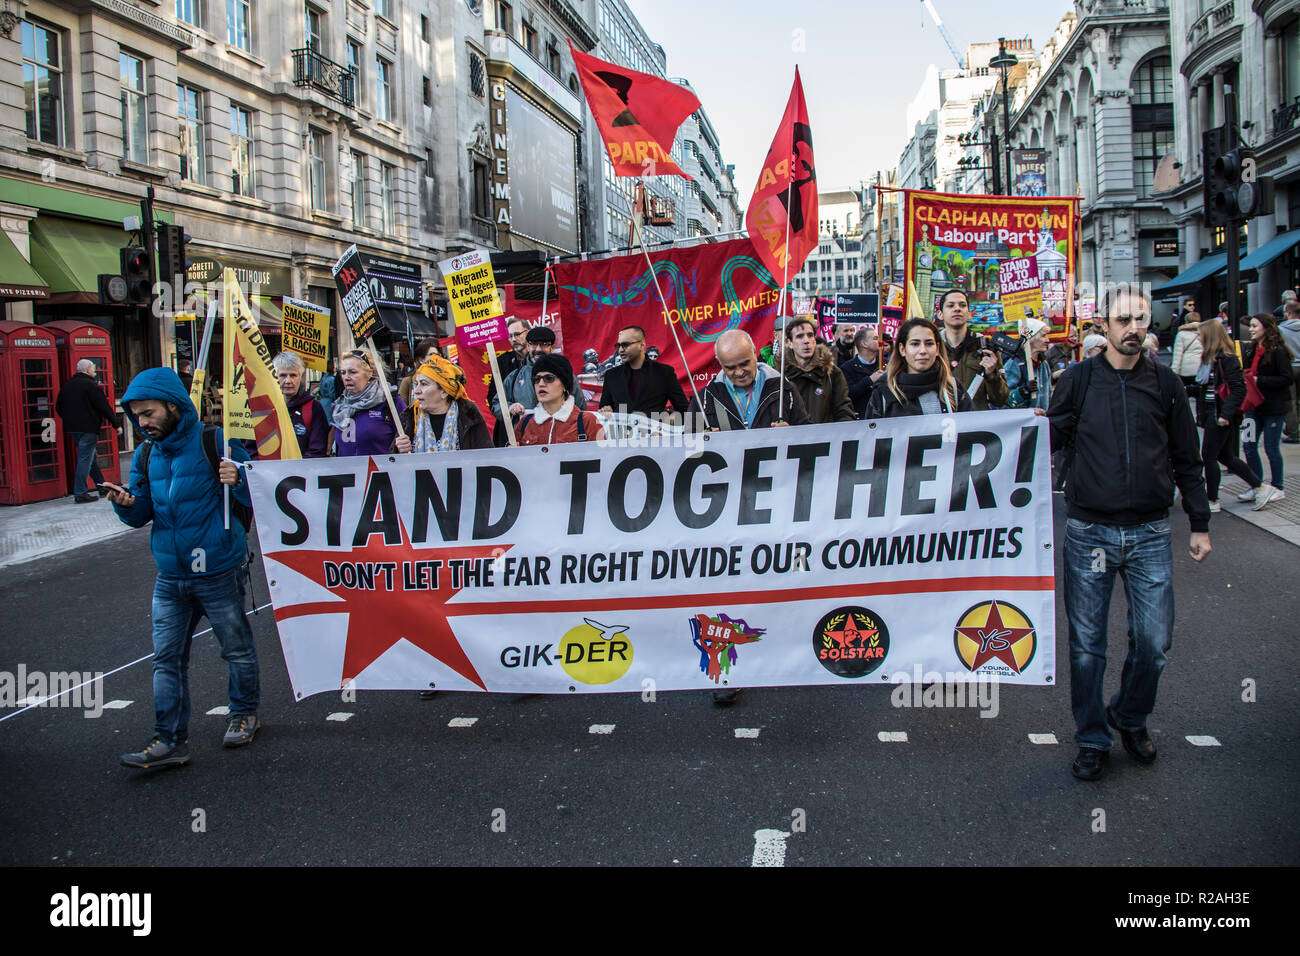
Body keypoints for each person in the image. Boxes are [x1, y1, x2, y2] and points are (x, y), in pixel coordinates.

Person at [1046, 287, 1211, 782]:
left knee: (1154, 641)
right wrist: (1033, 427)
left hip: (1150, 533)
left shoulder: (1165, 384)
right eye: (1124, 319)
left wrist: (1199, 522)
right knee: (1087, 645)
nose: (1134, 328)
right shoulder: (1077, 381)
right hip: (1089, 532)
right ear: (1105, 324)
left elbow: (1187, 455)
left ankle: (1130, 716)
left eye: (1141, 319)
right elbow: (1050, 441)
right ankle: (1093, 738)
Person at [105, 368, 259, 769]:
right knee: (166, 658)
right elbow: (141, 513)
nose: (142, 423)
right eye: (136, 416)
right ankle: (169, 740)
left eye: (149, 413)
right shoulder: (145, 454)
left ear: (173, 406)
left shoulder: (218, 441)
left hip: (218, 570)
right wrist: (125, 504)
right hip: (170, 577)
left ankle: (243, 713)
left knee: (236, 649)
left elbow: (259, 494)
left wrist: (239, 479)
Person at [1193, 320, 1265, 513]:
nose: (1198, 338)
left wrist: (1225, 415)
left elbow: (1238, 390)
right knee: (1225, 456)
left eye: (1200, 335)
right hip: (1215, 412)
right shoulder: (1212, 359)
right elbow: (1206, 388)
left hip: (1221, 414)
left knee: (1209, 456)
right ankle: (1260, 486)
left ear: (1209, 337)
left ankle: (1213, 500)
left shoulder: (1226, 359)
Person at [688, 329, 810, 431]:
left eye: (745, 364)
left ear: (754, 352)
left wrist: (793, 434)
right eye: (730, 368)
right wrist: (701, 440)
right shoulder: (703, 398)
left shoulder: (785, 388)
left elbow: (808, 433)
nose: (740, 372)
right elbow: (687, 446)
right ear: (720, 362)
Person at [864, 317, 972, 418]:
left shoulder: (951, 388)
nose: (923, 351)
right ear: (902, 349)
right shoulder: (884, 392)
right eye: (915, 344)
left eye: (929, 344)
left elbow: (970, 431)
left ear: (937, 348)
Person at [1238, 314, 1292, 507]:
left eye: (1254, 326)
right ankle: (1257, 485)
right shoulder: (1252, 349)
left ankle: (1278, 487)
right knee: (1249, 445)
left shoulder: (1278, 351)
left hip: (1274, 408)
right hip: (1253, 407)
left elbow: (1287, 378)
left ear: (1265, 328)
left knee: (1270, 447)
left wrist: (1261, 380)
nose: (1251, 329)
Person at [393, 353, 492, 453]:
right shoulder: (410, 417)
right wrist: (399, 450)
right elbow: (394, 463)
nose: (416, 391)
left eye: (423, 384)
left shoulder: (469, 416)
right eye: (416, 384)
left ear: (444, 391)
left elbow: (486, 459)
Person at [492, 326, 586, 430]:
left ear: (552, 347)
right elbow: (497, 404)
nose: (538, 349)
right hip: (526, 440)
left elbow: (580, 408)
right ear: (528, 346)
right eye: (534, 344)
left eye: (544, 344)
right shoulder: (514, 376)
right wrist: (509, 408)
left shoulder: (565, 374)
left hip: (560, 439)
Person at [55, 358, 117, 502]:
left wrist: (70, 420)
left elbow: (58, 407)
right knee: (85, 459)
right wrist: (115, 424)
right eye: (93, 369)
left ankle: (102, 486)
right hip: (89, 428)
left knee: (90, 457)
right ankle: (80, 493)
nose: (94, 371)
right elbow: (104, 406)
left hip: (73, 429)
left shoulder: (67, 386)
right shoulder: (91, 386)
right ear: (88, 369)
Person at [598, 325, 691, 419]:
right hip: (621, 432)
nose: (621, 350)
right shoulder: (611, 375)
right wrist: (606, 409)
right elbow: (604, 407)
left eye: (625, 345)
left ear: (641, 345)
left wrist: (699, 430)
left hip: (655, 432)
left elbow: (684, 408)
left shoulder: (664, 372)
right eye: (618, 346)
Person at [936, 290, 1008, 410]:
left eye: (962, 305)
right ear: (940, 314)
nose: (957, 309)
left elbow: (1001, 400)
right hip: (943, 423)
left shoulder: (986, 347)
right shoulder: (933, 348)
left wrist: (991, 376)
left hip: (977, 423)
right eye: (950, 305)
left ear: (969, 313)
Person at [517, 354, 605, 445]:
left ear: (564, 384)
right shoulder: (525, 423)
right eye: (537, 379)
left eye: (549, 378)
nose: (541, 384)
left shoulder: (587, 421)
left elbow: (604, 457)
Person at [781, 318, 855, 424]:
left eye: (810, 335)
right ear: (789, 342)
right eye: (799, 336)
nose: (806, 341)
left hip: (825, 438)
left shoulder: (832, 373)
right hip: (793, 439)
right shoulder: (781, 377)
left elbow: (844, 411)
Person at [333, 348, 405, 456]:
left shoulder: (390, 401)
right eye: (343, 372)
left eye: (353, 372)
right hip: (348, 472)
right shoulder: (340, 405)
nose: (346, 377)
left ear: (369, 373)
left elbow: (409, 439)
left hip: (381, 471)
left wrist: (404, 445)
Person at [273, 352, 329, 458]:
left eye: (293, 375)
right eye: (283, 375)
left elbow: (317, 450)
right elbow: (253, 449)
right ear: (275, 377)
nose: (288, 381)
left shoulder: (314, 407)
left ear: (301, 377)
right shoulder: (265, 408)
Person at [1003, 319, 1053, 410]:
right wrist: (1023, 392)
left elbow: (1049, 395)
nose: (1047, 340)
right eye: (1043, 336)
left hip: (1042, 421)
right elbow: (1003, 401)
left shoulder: (1044, 364)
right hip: (1023, 422)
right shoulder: (1015, 364)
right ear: (1031, 338)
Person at [841, 326, 885, 418]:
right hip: (861, 418)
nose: (880, 342)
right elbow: (848, 394)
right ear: (864, 343)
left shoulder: (885, 364)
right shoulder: (848, 368)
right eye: (875, 339)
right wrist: (869, 380)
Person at [1278, 299, 1300, 443]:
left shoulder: (1280, 329)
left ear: (1288, 313)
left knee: (1290, 400)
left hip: (1290, 366)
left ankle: (1293, 432)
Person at [398, 338, 442, 405]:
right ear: (421, 360)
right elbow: (402, 407)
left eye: (437, 355)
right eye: (431, 354)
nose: (435, 358)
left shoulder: (445, 379)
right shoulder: (408, 381)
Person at [1170, 312, 1203, 393]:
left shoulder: (1181, 334)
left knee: (1185, 393)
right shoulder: (1204, 332)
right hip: (1200, 368)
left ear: (1186, 321)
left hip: (1185, 370)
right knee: (1199, 392)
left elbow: (1178, 355)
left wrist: (1175, 371)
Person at [315, 356, 341, 424]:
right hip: (329, 403)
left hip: (323, 401)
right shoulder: (331, 379)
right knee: (329, 421)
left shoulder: (324, 377)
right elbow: (332, 393)